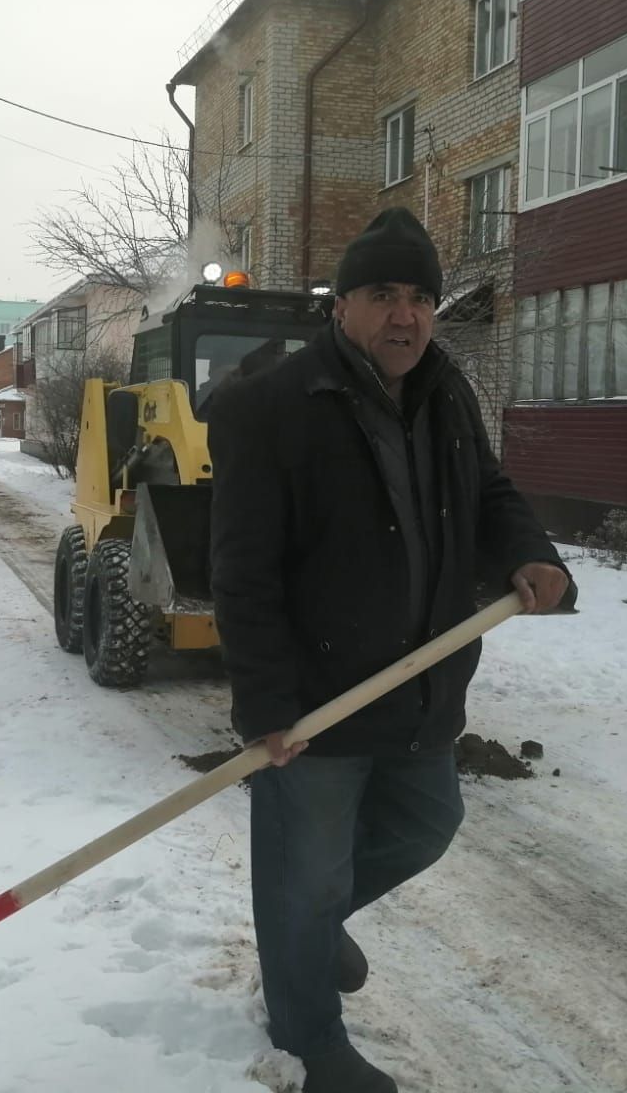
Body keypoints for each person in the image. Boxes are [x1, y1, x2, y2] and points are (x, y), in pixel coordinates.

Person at [207, 207, 571, 1093]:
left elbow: (488, 493)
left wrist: (530, 550)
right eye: (382, 295)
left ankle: (306, 927)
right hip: (318, 701)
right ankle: (310, 1041)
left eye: (419, 297)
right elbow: (242, 575)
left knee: (424, 825)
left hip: (422, 685)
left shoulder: (446, 393)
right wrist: (267, 708)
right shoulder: (271, 408)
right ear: (341, 308)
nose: (404, 315)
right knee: (306, 871)